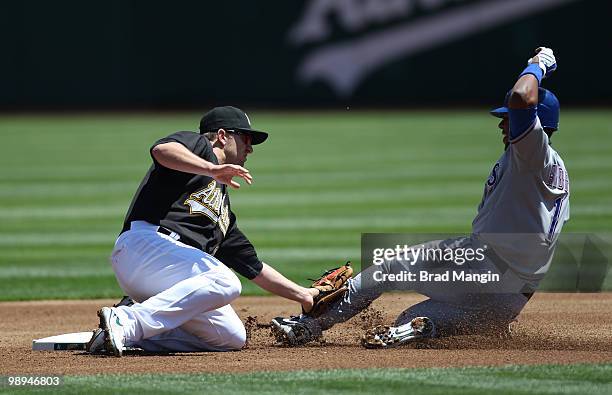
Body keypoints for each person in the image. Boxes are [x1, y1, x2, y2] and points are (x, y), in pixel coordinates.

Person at [272, 47, 570, 348]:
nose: (501, 124)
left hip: (482, 263)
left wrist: (538, 65)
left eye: (507, 119)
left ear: (538, 125)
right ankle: (423, 328)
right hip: (512, 300)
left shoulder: (531, 152)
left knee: (387, 267)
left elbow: (521, 98)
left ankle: (308, 327)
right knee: (410, 318)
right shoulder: (556, 173)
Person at [88, 106, 318, 356]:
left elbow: (254, 268)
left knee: (231, 337)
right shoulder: (198, 146)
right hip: (144, 247)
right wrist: (211, 169)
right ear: (222, 135)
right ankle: (127, 322)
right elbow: (161, 150)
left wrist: (304, 295)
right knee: (225, 280)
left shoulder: (223, 214)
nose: (250, 148)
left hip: (164, 276)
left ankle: (123, 334)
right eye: (246, 138)